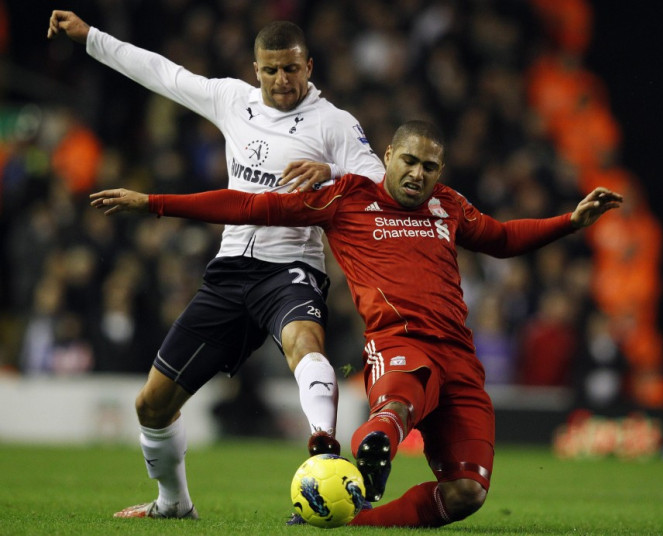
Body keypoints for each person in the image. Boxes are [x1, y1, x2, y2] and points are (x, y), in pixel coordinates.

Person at [91, 120, 622, 527]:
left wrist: (570, 223)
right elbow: (253, 205)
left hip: (460, 357)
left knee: (467, 495)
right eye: (409, 161)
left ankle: (353, 519)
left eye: (430, 167)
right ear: (387, 157)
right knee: (397, 404)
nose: (418, 174)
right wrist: (156, 203)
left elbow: (503, 240)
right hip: (398, 344)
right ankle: (377, 444)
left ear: (441, 171)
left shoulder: (449, 206)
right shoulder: (346, 197)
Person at [48, 10, 385, 520]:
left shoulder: (335, 124)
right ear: (256, 69)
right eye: (271, 70)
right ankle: (174, 502)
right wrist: (89, 36)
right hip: (228, 273)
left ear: (309, 66)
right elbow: (162, 72)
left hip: (290, 267)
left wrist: (333, 171)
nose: (281, 80)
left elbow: (381, 189)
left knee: (305, 345)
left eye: (291, 69)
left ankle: (324, 452)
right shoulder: (233, 100)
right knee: (152, 405)